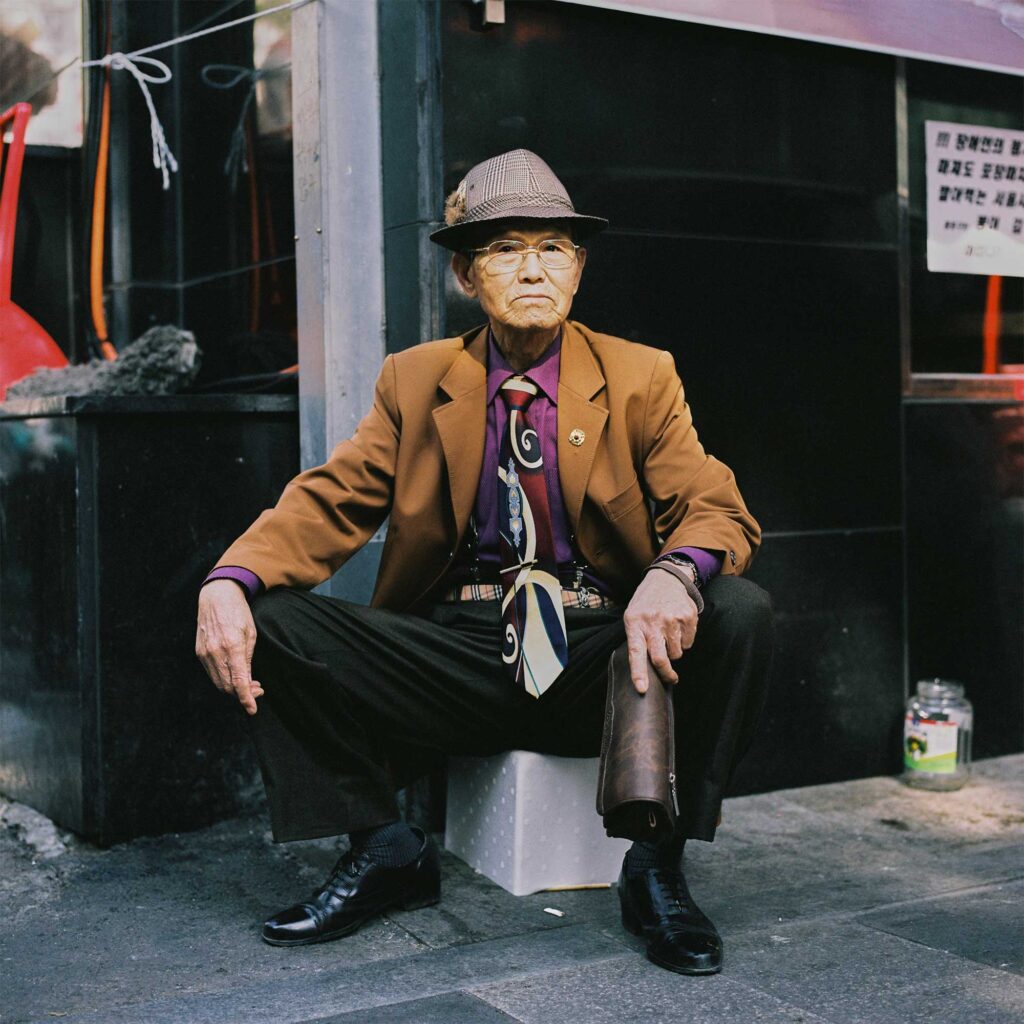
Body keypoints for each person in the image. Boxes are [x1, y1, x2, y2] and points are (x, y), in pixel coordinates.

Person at [195, 149, 773, 976]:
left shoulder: (642, 376)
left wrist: (674, 573)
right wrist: (229, 579)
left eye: (554, 248)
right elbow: (332, 499)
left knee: (741, 611)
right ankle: (386, 847)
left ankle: (657, 867)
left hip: (598, 650)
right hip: (456, 652)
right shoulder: (419, 379)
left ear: (578, 269)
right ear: (468, 274)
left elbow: (716, 507)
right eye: (506, 249)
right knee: (273, 619)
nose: (533, 268)